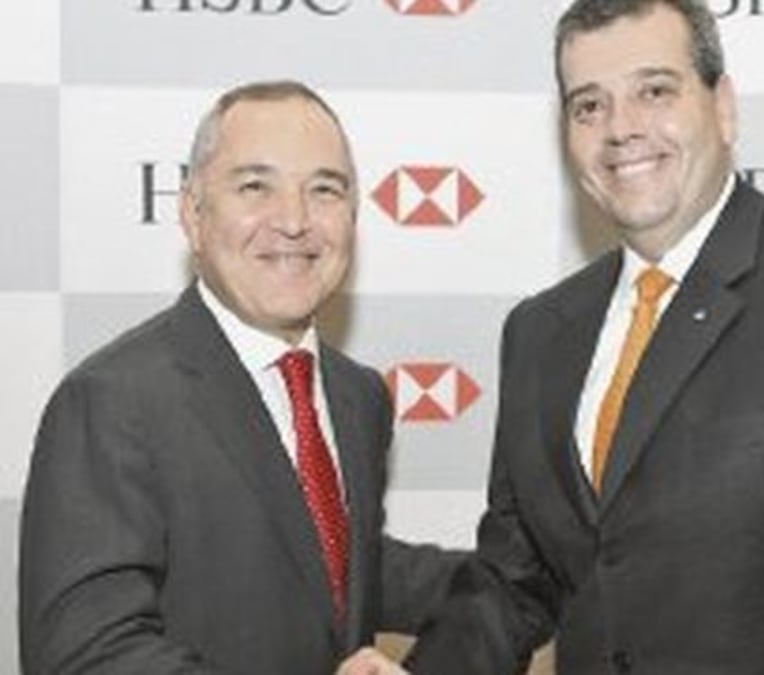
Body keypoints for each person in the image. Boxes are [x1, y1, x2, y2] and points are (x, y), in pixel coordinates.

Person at [345, 0, 764, 672]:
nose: (621, 128)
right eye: (589, 106)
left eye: (654, 91)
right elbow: (515, 580)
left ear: (724, 107)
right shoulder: (539, 334)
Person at [19, 80, 461, 675]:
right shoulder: (111, 401)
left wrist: (534, 573)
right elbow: (87, 654)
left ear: (353, 216)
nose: (295, 221)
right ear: (193, 215)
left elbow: (326, 566)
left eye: (324, 190)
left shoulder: (358, 396)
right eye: (255, 186)